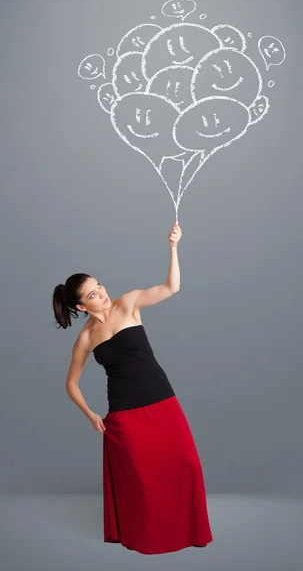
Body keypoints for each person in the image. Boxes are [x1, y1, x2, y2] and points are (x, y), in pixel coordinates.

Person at [52, 221, 213, 555]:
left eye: (100, 285)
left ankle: (189, 532)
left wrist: (173, 246)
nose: (102, 293)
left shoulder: (128, 304)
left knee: (187, 464)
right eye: (93, 294)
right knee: (142, 481)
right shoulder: (85, 339)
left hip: (162, 399)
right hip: (125, 412)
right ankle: (148, 539)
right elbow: (71, 383)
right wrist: (90, 414)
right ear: (82, 306)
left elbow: (172, 287)